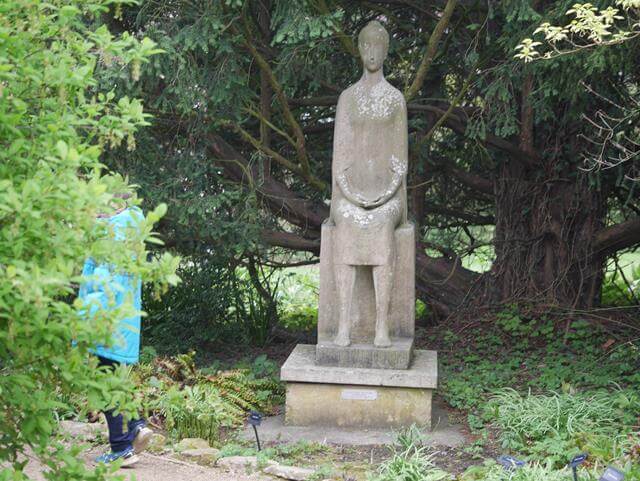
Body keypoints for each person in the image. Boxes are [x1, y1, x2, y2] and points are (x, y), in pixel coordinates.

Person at [78, 194, 152, 467]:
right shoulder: (130, 229)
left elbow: (99, 283)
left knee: (103, 380)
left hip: (103, 318)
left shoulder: (109, 233)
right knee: (113, 377)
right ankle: (136, 425)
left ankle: (121, 447)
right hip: (123, 319)